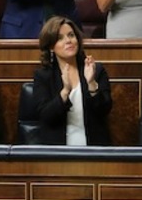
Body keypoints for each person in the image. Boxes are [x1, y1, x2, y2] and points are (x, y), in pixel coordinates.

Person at [33, 16, 111, 145]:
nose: (68, 41)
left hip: (94, 147)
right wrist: (65, 92)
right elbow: (46, 117)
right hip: (58, 150)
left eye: (71, 35)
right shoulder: (43, 76)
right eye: (60, 38)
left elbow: (104, 111)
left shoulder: (95, 69)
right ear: (51, 47)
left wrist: (92, 84)